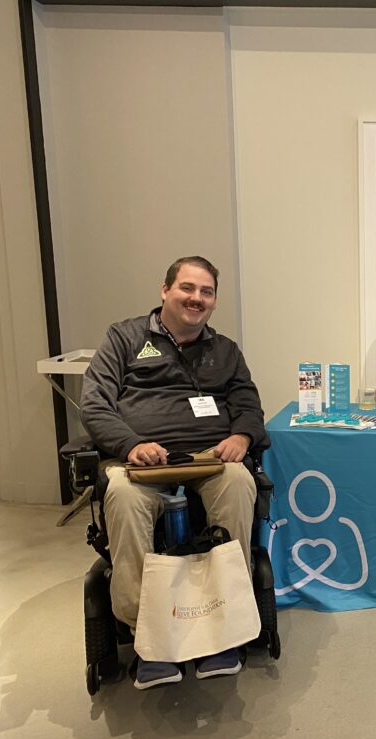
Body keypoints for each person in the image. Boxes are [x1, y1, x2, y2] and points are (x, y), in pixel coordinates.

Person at [81, 256, 268, 689]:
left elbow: (248, 404)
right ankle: (147, 633)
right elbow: (94, 406)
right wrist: (131, 444)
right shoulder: (125, 338)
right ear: (165, 291)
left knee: (240, 481)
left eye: (206, 292)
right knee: (123, 498)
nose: (196, 298)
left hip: (208, 459)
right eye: (187, 288)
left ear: (214, 301)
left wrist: (242, 436)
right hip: (141, 462)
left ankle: (222, 623)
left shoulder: (224, 351)